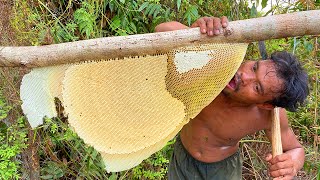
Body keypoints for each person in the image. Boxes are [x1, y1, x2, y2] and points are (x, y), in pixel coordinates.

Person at [155, 17, 309, 180]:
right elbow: (161, 30)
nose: (244, 76)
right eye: (254, 67)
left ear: (266, 104)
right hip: (182, 159)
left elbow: (296, 149)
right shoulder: (214, 66)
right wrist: (193, 35)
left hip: (223, 171)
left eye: (257, 87)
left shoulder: (269, 115)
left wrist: (292, 163)